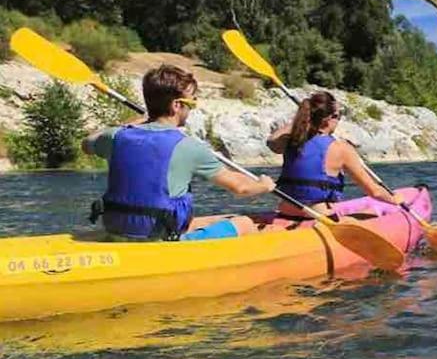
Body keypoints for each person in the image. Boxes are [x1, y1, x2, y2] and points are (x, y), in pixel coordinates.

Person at [82, 64, 276, 241]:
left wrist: (131, 123)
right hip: (161, 237)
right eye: (191, 103)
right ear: (176, 105)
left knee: (217, 219)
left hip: (116, 230)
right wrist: (264, 185)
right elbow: (241, 188)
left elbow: (87, 143)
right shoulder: (188, 146)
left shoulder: (116, 136)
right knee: (244, 223)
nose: (192, 108)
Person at [265, 91, 397, 221]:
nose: (339, 120)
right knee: (370, 215)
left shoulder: (293, 141)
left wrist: (301, 121)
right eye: (338, 116)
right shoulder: (341, 149)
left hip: (286, 214)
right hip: (318, 218)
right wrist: (396, 200)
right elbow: (374, 192)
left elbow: (271, 142)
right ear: (329, 119)